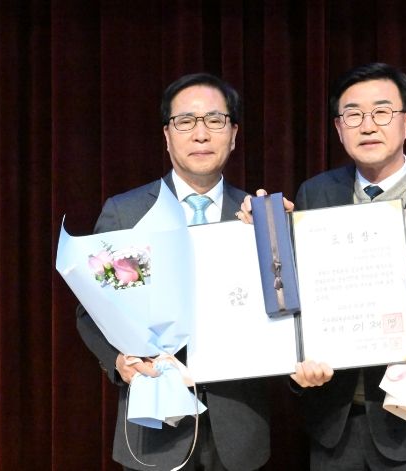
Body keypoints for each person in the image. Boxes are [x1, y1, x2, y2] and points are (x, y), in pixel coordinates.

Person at [242, 62, 406, 470]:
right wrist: (263, 230)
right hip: (334, 422)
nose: (367, 126)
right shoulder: (315, 194)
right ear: (338, 128)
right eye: (353, 115)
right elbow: (295, 289)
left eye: (382, 112)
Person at [76, 73, 269, 471]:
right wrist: (118, 360)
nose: (201, 134)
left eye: (215, 120)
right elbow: (90, 311)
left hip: (240, 430)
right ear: (167, 135)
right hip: (155, 427)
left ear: (233, 134)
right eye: (185, 121)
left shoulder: (258, 215)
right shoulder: (127, 213)